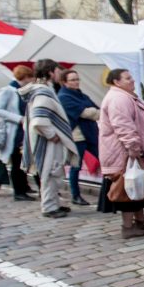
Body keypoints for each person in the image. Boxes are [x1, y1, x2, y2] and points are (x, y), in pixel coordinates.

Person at [98, 69, 144, 238]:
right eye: (128, 78)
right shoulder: (118, 98)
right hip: (125, 153)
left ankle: (140, 220)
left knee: (139, 185)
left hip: (129, 151)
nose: (133, 80)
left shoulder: (124, 96)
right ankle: (128, 226)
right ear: (116, 81)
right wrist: (133, 148)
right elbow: (123, 126)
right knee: (127, 189)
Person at [18, 68, 80, 218]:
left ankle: (54, 203)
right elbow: (39, 119)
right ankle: (49, 207)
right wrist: (52, 135)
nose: (60, 73)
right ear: (50, 72)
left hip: (46, 139)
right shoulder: (42, 92)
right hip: (46, 141)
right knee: (50, 172)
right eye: (58, 70)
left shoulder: (43, 90)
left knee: (52, 171)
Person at [0, 65, 37, 201]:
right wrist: (19, 119)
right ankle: (17, 191)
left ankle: (22, 188)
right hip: (12, 132)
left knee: (20, 161)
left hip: (22, 131)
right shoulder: (8, 91)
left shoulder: (23, 91)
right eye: (30, 77)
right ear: (25, 77)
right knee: (14, 162)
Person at [57, 69, 99, 206]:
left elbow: (97, 110)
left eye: (77, 79)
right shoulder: (63, 96)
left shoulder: (81, 95)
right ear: (65, 82)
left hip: (91, 133)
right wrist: (90, 111)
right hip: (77, 136)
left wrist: (90, 111)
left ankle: (110, 190)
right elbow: (85, 112)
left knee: (105, 159)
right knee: (76, 165)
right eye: (72, 80)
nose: (76, 82)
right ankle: (76, 195)